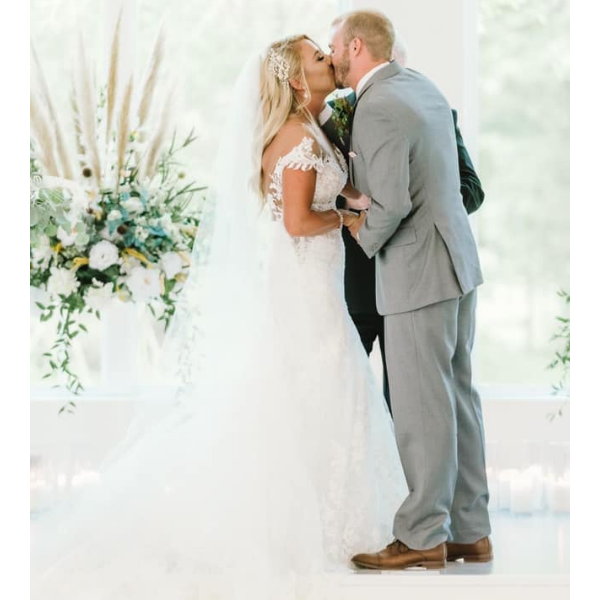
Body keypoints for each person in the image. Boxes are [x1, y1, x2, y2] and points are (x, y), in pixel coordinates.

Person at [31, 35, 409, 600]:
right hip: (303, 280)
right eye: (316, 58)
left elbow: (329, 189)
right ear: (296, 80)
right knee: (316, 376)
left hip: (317, 279)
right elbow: (299, 223)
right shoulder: (292, 136)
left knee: (329, 380)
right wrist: (354, 220)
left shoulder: (313, 128)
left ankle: (342, 520)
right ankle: (309, 526)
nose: (328, 60)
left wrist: (355, 197)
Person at [328, 9, 493, 570]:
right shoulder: (421, 86)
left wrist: (356, 227)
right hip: (457, 264)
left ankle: (423, 535)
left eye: (333, 46)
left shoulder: (376, 106)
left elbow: (392, 203)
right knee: (458, 398)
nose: (329, 56)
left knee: (423, 409)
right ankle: (471, 530)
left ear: (355, 47)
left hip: (418, 272)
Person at [319, 38, 485, 419]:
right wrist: (359, 207)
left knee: (414, 407)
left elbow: (472, 191)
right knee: (345, 400)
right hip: (356, 281)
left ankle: (407, 478)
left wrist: (417, 196)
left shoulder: (436, 112)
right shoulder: (329, 119)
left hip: (419, 274)